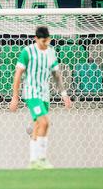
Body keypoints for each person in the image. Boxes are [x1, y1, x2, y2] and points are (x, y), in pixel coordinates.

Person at [9, 26, 72, 169]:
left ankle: (33, 161)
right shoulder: (27, 52)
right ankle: (42, 158)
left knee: (38, 125)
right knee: (45, 123)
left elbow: (56, 75)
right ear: (36, 39)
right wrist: (15, 97)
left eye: (47, 41)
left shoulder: (51, 52)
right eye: (42, 41)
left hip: (44, 94)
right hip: (32, 93)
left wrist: (64, 94)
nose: (45, 44)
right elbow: (18, 74)